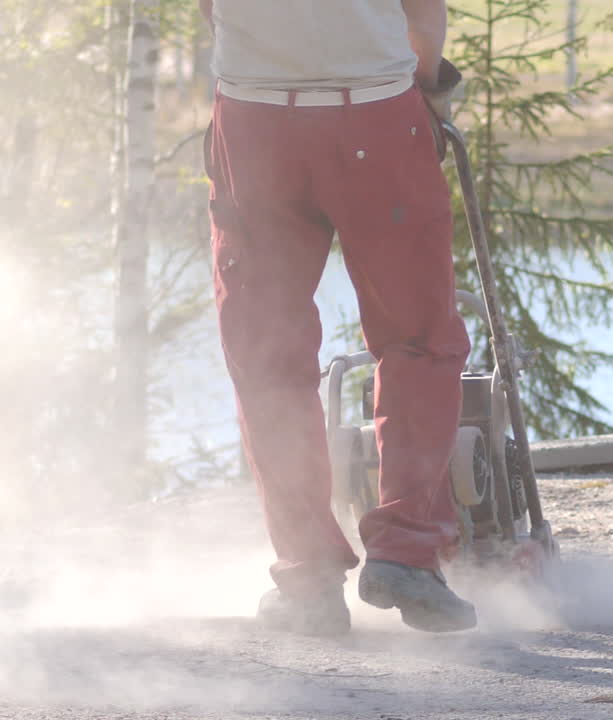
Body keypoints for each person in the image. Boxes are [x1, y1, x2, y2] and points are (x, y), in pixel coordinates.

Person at [199, 0, 475, 634]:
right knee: (418, 341)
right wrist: (428, 86)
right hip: (375, 113)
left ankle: (309, 577)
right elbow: (423, 16)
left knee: (266, 353)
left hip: (253, 122)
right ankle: (406, 554)